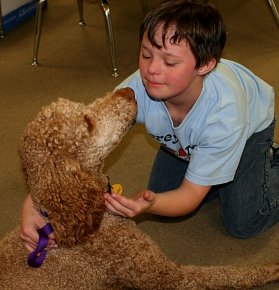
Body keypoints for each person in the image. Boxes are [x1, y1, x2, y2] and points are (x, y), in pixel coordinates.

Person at [20, 0, 279, 252]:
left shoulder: (225, 116)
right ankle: (218, 172)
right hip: (186, 143)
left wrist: (149, 206)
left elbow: (188, 196)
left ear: (205, 65)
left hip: (249, 132)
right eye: (146, 54)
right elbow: (83, 140)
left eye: (169, 62)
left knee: (243, 222)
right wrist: (33, 203)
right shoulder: (137, 89)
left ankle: (266, 158)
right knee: (166, 197)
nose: (151, 69)